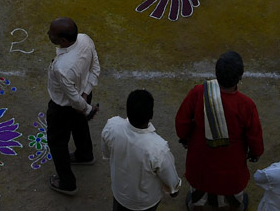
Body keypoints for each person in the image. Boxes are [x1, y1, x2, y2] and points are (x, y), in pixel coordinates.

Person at [175, 51, 264, 211]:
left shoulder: (198, 92)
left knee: (198, 189)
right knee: (234, 194)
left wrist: (184, 138)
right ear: (240, 77)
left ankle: (197, 203)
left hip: (200, 162)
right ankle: (232, 203)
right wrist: (255, 153)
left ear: (216, 73)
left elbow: (182, 122)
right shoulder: (246, 105)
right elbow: (255, 138)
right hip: (232, 168)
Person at [45, 17, 101, 196]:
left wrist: (85, 108)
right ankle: (85, 155)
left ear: (63, 41)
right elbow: (95, 68)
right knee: (79, 125)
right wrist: (86, 96)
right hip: (84, 94)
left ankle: (67, 183)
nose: (48, 34)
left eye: (51, 33)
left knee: (57, 142)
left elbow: (71, 98)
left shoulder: (62, 67)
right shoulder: (85, 39)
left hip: (65, 106)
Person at [102, 90, 181, 211]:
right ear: (151, 115)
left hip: (119, 194)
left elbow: (107, 153)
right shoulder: (158, 148)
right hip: (145, 203)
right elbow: (171, 179)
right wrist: (174, 189)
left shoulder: (112, 126)